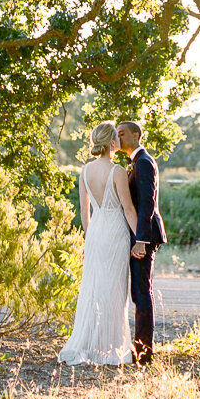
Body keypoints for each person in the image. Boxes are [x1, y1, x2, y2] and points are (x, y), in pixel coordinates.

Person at [58, 121, 139, 366]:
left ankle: (91, 344)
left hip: (95, 233)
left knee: (93, 288)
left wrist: (89, 238)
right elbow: (128, 209)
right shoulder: (117, 172)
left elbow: (85, 211)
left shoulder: (85, 171)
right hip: (115, 233)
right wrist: (140, 240)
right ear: (113, 141)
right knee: (114, 290)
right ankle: (109, 347)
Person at [117, 119, 166, 365]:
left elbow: (147, 204)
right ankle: (140, 349)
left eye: (122, 133)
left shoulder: (145, 163)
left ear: (136, 135)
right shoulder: (136, 162)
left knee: (141, 292)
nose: (119, 137)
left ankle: (144, 354)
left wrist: (141, 240)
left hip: (144, 237)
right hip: (137, 235)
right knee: (139, 291)